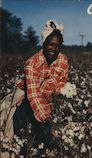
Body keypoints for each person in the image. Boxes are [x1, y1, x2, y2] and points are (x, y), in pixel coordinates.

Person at [13, 20, 68, 149]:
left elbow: (61, 82)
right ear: (43, 43)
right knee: (18, 125)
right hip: (28, 98)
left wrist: (55, 93)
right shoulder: (31, 63)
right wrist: (49, 120)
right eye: (51, 44)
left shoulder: (63, 60)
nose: (54, 49)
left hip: (49, 98)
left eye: (57, 45)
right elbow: (34, 96)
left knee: (50, 137)